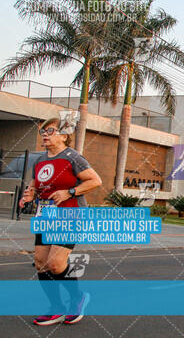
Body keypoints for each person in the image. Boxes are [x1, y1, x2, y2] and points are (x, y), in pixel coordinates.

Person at [19, 117, 102, 326]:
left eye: (50, 131)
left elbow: (95, 180)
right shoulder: (39, 160)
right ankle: (55, 308)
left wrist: (70, 192)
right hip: (47, 216)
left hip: (70, 215)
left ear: (64, 135)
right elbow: (36, 183)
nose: (45, 135)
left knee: (56, 264)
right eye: (43, 132)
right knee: (41, 264)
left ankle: (77, 298)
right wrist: (30, 194)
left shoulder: (73, 157)